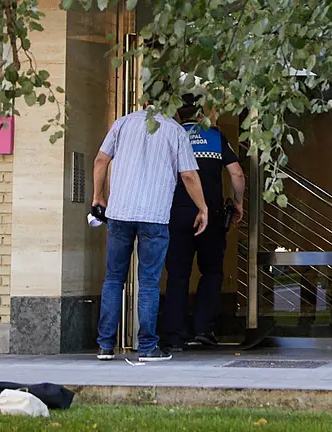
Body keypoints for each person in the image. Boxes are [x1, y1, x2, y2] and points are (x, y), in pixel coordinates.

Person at [92, 86, 209, 362]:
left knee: (113, 278)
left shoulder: (121, 124)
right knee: (148, 281)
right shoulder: (175, 130)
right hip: (155, 215)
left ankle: (105, 345)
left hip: (119, 212)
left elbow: (100, 161)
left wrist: (98, 196)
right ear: (172, 104)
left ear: (144, 101)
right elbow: (189, 176)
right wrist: (203, 207)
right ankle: (146, 347)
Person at [161, 94, 245, 351]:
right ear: (202, 113)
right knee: (211, 272)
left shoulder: (172, 135)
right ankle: (202, 330)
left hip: (175, 213)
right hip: (210, 214)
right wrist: (238, 201)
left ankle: (175, 335)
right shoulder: (216, 136)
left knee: (177, 274)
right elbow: (237, 173)